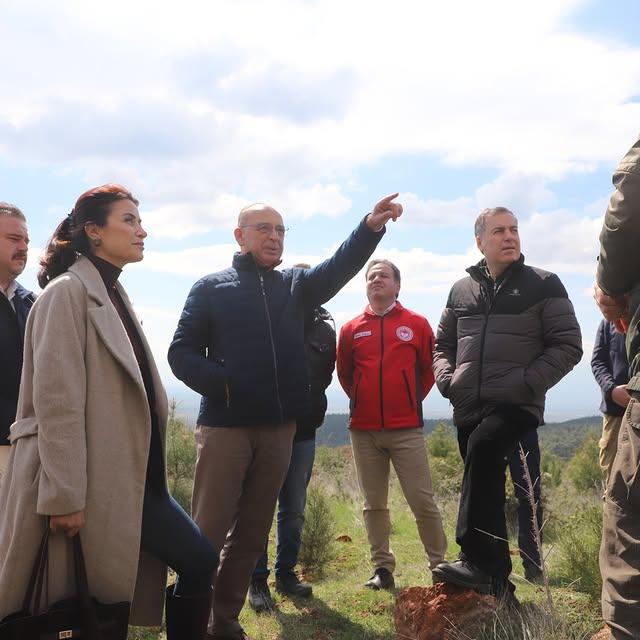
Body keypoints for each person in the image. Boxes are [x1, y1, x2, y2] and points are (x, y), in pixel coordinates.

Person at [168, 195, 402, 640]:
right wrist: (226, 383)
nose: (274, 237)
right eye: (263, 229)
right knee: (207, 535)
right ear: (240, 236)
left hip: (279, 430)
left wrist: (370, 227)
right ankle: (190, 626)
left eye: (280, 230)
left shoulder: (296, 285)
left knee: (252, 536)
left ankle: (224, 623)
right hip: (224, 427)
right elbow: (180, 353)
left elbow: (338, 267)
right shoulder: (209, 288)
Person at [0, 185, 218, 640]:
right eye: (130, 220)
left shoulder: (111, 292)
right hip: (95, 483)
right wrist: (64, 496)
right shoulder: (66, 293)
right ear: (94, 232)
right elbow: (55, 402)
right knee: (91, 604)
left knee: (188, 564)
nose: (143, 231)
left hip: (137, 480)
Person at [432, 206, 582, 602]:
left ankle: (472, 556)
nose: (510, 236)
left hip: (516, 403)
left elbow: (568, 345)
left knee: (483, 453)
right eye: (499, 231)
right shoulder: (461, 290)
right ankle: (499, 585)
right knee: (483, 487)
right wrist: (449, 382)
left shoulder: (544, 284)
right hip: (468, 404)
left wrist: (526, 383)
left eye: (514, 229)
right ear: (480, 240)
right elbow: (442, 345)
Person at [337, 258, 447, 591]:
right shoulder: (351, 328)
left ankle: (439, 566)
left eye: (384, 276)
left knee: (422, 500)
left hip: (406, 429)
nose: (377, 280)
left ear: (397, 286)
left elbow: (429, 370)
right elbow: (344, 374)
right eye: (371, 276)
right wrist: (360, 398)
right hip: (364, 430)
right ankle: (382, 569)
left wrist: (409, 400)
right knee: (373, 504)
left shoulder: (417, 324)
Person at [248, 272, 336, 612]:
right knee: (259, 506)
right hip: (267, 429)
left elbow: (326, 375)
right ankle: (256, 581)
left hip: (304, 432)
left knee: (294, 509)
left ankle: (286, 575)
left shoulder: (325, 329)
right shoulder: (268, 319)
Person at [594, 135, 640, 639]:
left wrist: (610, 283)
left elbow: (627, 209)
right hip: (617, 403)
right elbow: (594, 359)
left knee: (630, 520)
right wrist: (613, 390)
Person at [0, 202, 35, 481]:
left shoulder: (34, 303)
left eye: (26, 240)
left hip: (29, 449)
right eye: (14, 239)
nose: (23, 246)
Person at [591, 319, 630, 488]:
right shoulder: (608, 321)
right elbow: (598, 362)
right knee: (612, 482)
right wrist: (612, 390)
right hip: (615, 415)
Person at [507, 430, 543, 583]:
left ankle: (533, 565)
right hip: (485, 416)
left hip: (523, 419)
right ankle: (487, 566)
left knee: (529, 495)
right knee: (487, 494)